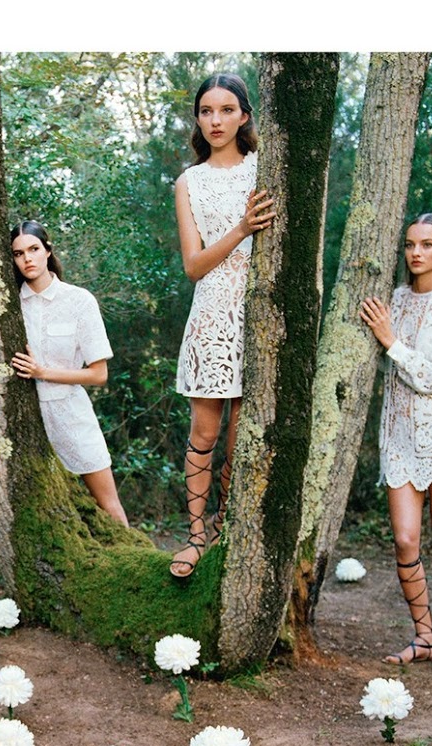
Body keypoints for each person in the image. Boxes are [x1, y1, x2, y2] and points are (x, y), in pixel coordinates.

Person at [359, 213, 432, 667]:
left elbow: (431, 377)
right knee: (406, 540)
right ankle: (424, 636)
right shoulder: (394, 298)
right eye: (410, 244)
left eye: (427, 245)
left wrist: (390, 340)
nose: (416, 253)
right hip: (399, 437)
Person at [169, 72, 274, 578]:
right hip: (211, 313)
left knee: (241, 439)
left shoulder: (263, 170)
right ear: (197, 118)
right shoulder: (189, 182)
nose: (216, 120)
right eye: (207, 111)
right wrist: (241, 228)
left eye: (227, 110)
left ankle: (227, 528)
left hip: (259, 315)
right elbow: (193, 266)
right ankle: (195, 536)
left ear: (244, 116)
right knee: (205, 432)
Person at [9, 220, 128, 526]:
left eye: (34, 249)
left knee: (108, 506)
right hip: (27, 421)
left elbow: (99, 375)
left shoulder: (79, 301)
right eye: (19, 253)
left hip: (72, 417)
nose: (27, 259)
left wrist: (42, 371)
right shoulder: (10, 306)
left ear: (48, 251)